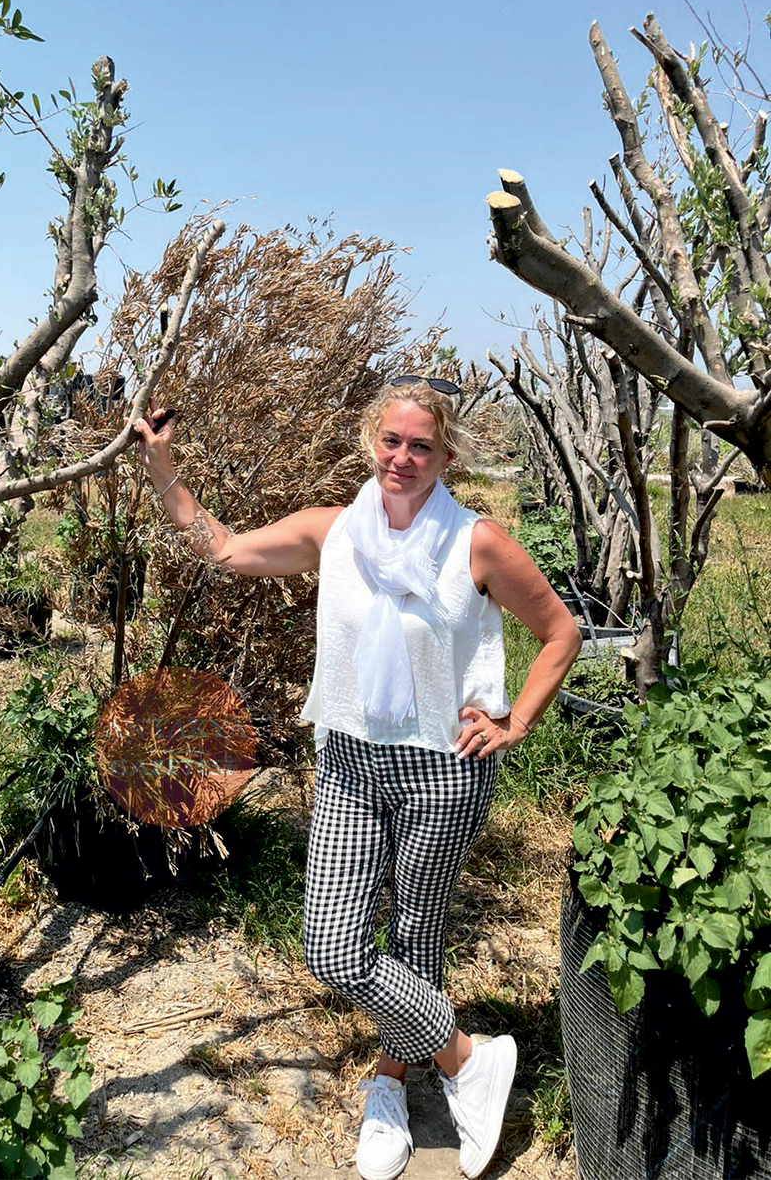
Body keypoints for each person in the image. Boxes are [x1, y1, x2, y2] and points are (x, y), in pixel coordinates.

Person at [135, 378, 580, 1180]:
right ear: (371, 443)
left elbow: (560, 630)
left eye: (421, 446)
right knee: (334, 945)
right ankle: (466, 1058)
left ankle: (391, 1082)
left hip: (444, 767)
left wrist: (514, 722)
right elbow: (226, 548)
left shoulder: (475, 543)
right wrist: (163, 468)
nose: (402, 458)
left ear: (447, 455)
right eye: (391, 441)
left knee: (415, 934)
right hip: (348, 757)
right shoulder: (332, 532)